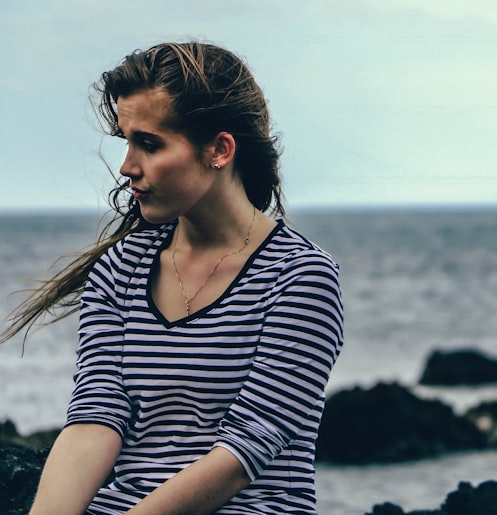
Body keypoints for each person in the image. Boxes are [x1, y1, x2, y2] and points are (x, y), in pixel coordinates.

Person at [1, 42, 344, 514]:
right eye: (126, 141)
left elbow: (246, 448)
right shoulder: (121, 269)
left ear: (219, 150)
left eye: (149, 143)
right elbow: (96, 418)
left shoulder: (299, 277)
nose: (127, 166)